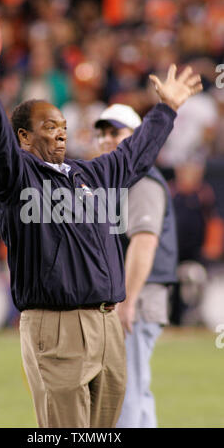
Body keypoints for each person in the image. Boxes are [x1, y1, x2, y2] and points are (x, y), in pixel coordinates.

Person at [0, 37, 202, 428]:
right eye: (50, 127)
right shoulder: (16, 177)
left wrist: (166, 109)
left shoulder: (93, 173)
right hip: (55, 325)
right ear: (25, 138)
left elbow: (135, 153)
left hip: (107, 323)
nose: (62, 134)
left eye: (64, 126)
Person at [94, 104, 178, 428]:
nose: (106, 139)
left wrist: (126, 301)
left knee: (124, 390)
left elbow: (144, 242)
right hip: (136, 294)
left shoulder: (142, 181)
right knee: (135, 391)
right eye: (102, 132)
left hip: (138, 296)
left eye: (115, 131)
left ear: (136, 137)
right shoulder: (122, 179)